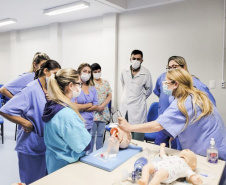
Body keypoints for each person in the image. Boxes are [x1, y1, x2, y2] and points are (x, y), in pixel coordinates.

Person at [118, 68, 226, 185]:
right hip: (219, 147)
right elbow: (186, 122)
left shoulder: (184, 102)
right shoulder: (196, 95)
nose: (164, 85)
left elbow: (158, 125)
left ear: (176, 84)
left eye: (166, 82)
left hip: (208, 153)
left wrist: (129, 127)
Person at [0, 60, 61, 184]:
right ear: (45, 71)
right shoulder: (31, 89)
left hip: (45, 145)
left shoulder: (49, 90)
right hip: (31, 146)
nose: (56, 78)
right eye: (55, 74)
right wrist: (25, 123)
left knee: (44, 180)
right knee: (31, 181)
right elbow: (5, 110)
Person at [154, 56, 216, 149]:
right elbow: (159, 93)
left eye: (175, 67)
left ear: (184, 67)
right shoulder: (164, 77)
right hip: (164, 118)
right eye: (169, 67)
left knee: (177, 152)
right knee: (159, 149)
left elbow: (210, 106)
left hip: (181, 124)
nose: (171, 70)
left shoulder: (195, 84)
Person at [42, 68, 91, 174]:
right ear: (70, 86)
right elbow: (84, 145)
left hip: (54, 164)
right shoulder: (66, 114)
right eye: (79, 84)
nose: (80, 87)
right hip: (66, 168)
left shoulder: (52, 106)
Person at [120, 49, 152, 141]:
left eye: (138, 59)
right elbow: (124, 84)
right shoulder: (124, 71)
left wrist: (140, 98)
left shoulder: (146, 73)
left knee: (137, 138)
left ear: (142, 60)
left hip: (138, 109)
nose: (136, 61)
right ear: (130, 59)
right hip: (125, 107)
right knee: (125, 136)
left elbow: (149, 89)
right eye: (134, 58)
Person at [137, 143, 203, 185]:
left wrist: (196, 180)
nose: (188, 150)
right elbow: (162, 155)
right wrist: (162, 147)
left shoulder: (186, 167)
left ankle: (154, 183)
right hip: (158, 166)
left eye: (190, 152)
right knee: (146, 167)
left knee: (159, 173)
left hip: (168, 173)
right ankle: (144, 180)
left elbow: (191, 175)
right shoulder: (173, 157)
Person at [90, 63, 112, 152]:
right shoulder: (90, 83)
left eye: (99, 71)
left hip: (103, 112)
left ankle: (99, 152)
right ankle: (89, 153)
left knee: (100, 134)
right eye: (95, 72)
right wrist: (96, 107)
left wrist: (102, 106)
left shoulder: (105, 82)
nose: (97, 73)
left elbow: (109, 96)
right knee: (91, 134)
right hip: (93, 112)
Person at [72, 63, 99, 134]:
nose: (87, 73)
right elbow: (74, 107)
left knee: (88, 144)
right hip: (77, 122)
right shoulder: (74, 87)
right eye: (84, 71)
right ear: (79, 72)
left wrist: (81, 107)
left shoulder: (92, 88)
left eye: (89, 72)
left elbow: (96, 106)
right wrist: (89, 104)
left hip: (90, 122)